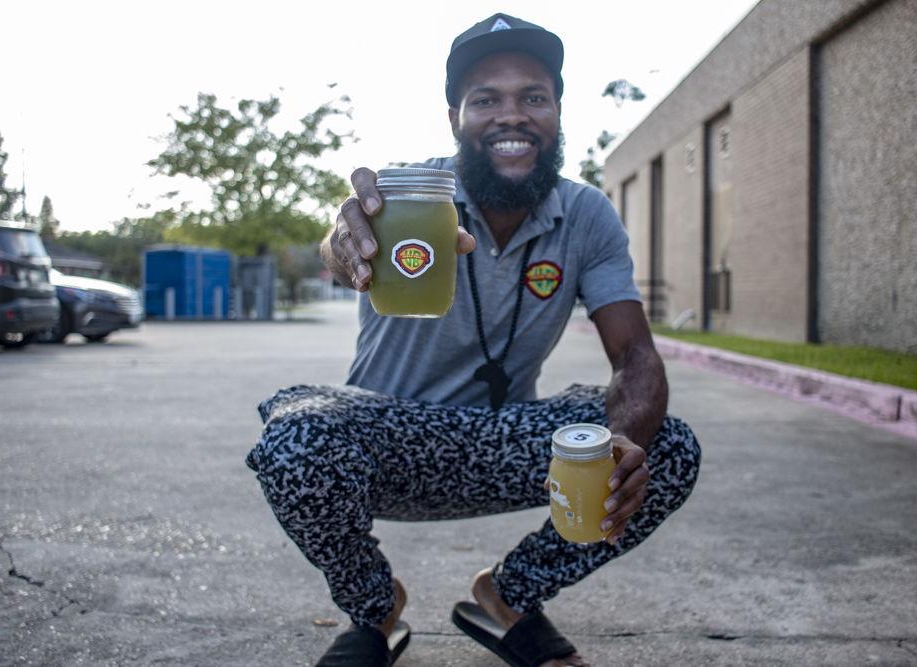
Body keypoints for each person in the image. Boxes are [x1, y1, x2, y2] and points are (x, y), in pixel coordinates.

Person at [246, 13, 701, 667]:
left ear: (557, 112)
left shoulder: (586, 214)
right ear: (455, 116)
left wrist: (626, 441)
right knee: (296, 438)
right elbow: (341, 240)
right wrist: (342, 244)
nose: (510, 116)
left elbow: (634, 355)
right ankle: (375, 611)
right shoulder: (408, 194)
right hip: (386, 443)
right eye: (486, 99)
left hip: (506, 442)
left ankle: (508, 595)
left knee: (668, 445)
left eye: (533, 97)